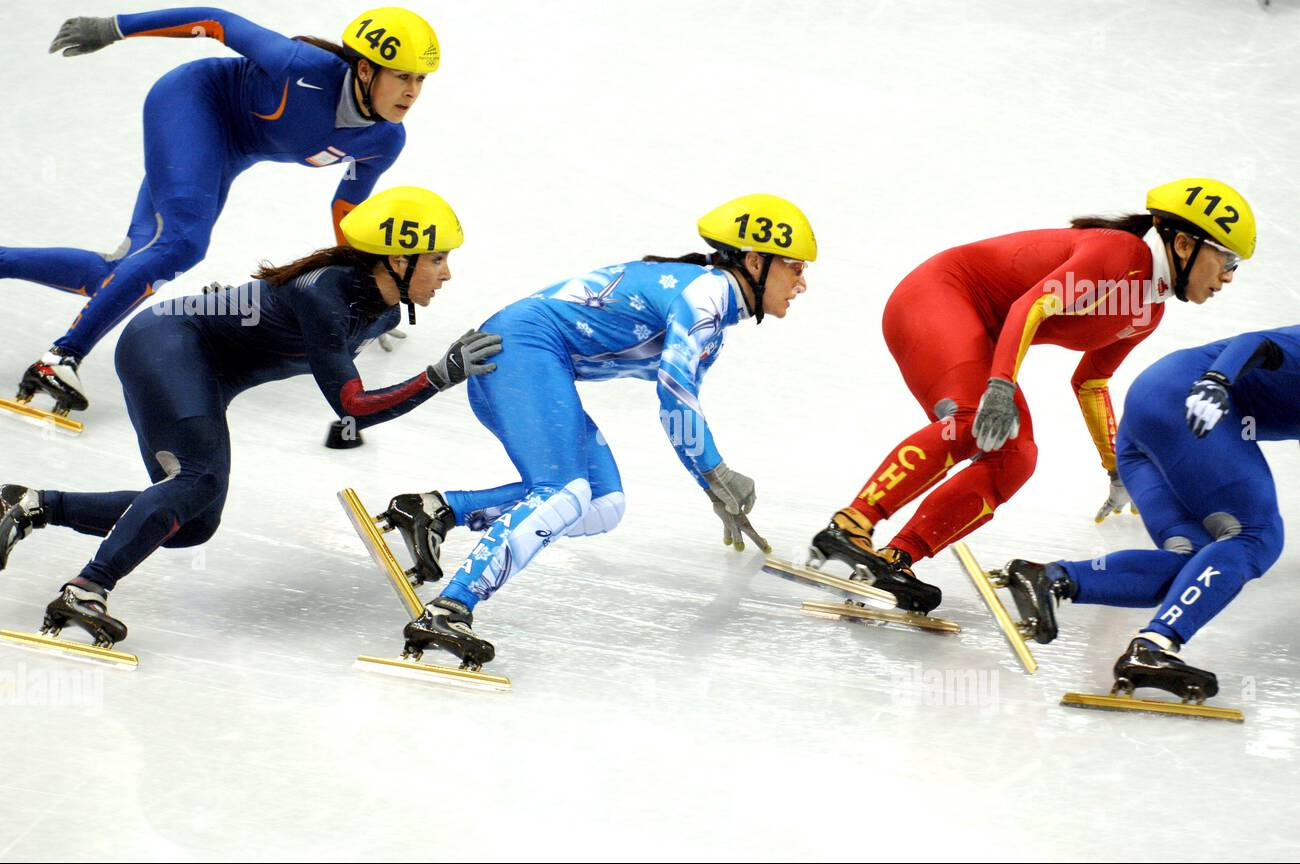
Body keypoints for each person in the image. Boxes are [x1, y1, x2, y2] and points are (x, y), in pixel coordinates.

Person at [0, 187, 501, 648]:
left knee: (193, 522)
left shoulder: (383, 310)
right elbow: (352, 407)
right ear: (397, 258)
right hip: (167, 343)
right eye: (437, 259)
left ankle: (32, 505)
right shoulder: (324, 294)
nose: (447, 274)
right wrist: (437, 376)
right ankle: (87, 588)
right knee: (197, 479)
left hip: (206, 371)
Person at [373, 193, 816, 669]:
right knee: (564, 492)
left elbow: (682, 401)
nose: (802, 283)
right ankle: (451, 607)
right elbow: (675, 397)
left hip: (531, 358)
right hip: (520, 350)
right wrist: (715, 472)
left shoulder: (712, 317)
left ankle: (437, 510)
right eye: (794, 267)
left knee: (603, 504)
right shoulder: (705, 295)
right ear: (754, 260)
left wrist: (712, 483)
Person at [806, 178, 1255, 613]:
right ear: (1182, 245)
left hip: (979, 328)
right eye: (1228, 259)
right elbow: (1033, 306)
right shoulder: (1120, 253)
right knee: (973, 420)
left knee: (1015, 457)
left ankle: (894, 560)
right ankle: (851, 525)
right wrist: (1000, 386)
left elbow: (1091, 383)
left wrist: (1115, 466)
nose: (1230, 277)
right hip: (938, 297)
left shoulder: (1147, 309)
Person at [0, 6, 439, 417]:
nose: (412, 93)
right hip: (193, 101)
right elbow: (217, 21)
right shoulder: (300, 65)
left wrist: (365, 288)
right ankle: (59, 358)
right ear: (365, 69)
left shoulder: (384, 140)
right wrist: (115, 27)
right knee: (182, 245)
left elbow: (347, 208)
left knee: (119, 276)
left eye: (421, 80)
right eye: (402, 77)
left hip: (231, 150)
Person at [993, 326, 1295, 703]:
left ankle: (1052, 577)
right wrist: (1217, 380)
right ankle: (1153, 646)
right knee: (1256, 535)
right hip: (1190, 402)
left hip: (1149, 422)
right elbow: (1256, 345)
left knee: (1195, 567)